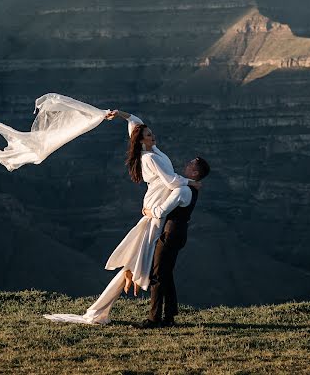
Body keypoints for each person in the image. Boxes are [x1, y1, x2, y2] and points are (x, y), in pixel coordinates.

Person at [44, 110, 202, 325]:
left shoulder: (154, 150)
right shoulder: (150, 158)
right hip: (154, 211)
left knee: (151, 260)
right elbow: (171, 181)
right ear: (141, 140)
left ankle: (137, 280)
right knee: (147, 257)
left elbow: (136, 123)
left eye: (151, 133)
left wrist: (121, 115)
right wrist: (191, 182)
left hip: (156, 208)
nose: (152, 136)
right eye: (148, 135)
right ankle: (136, 279)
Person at [139, 156, 210, 328]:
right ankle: (169, 315)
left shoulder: (183, 191)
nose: (186, 164)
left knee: (157, 275)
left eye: (190, 164)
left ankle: (154, 319)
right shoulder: (190, 189)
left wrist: (146, 210)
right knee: (166, 274)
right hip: (179, 233)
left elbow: (160, 211)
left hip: (170, 234)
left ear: (195, 172)